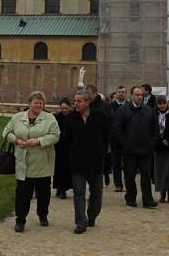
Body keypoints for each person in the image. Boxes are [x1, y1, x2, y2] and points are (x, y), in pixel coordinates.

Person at [2, 91, 61, 232]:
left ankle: (43, 215)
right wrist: (16, 140)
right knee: (22, 194)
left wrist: (39, 141)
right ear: (29, 103)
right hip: (23, 163)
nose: (38, 105)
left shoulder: (50, 118)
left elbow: (55, 136)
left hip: (42, 163)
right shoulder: (17, 118)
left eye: (41, 103)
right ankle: (20, 220)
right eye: (36, 102)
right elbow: (6, 132)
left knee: (43, 193)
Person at [63, 89, 109, 234]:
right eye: (75, 101)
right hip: (77, 161)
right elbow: (66, 139)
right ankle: (80, 222)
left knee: (96, 192)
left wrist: (101, 152)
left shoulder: (100, 116)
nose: (76, 104)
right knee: (79, 192)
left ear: (88, 102)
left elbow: (106, 136)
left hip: (95, 161)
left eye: (79, 101)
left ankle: (92, 215)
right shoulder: (71, 118)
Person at [113, 85, 158, 208]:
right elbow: (117, 129)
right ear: (131, 96)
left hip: (146, 149)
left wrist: (152, 143)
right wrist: (125, 143)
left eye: (141, 95)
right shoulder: (123, 110)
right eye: (137, 95)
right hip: (129, 150)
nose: (139, 97)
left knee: (146, 176)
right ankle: (131, 198)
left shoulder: (149, 110)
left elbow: (155, 129)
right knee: (129, 175)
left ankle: (147, 200)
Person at [108, 85, 128, 192]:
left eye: (123, 92)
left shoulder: (130, 106)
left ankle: (128, 183)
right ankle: (118, 184)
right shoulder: (110, 106)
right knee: (116, 163)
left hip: (128, 139)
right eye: (119, 92)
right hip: (115, 139)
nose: (121, 93)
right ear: (116, 93)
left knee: (128, 163)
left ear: (126, 93)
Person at [53, 98, 73, 199]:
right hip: (59, 146)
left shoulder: (73, 117)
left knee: (67, 169)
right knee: (58, 168)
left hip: (70, 147)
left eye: (66, 108)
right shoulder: (56, 117)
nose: (64, 110)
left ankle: (64, 189)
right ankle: (59, 187)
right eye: (62, 108)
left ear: (70, 107)